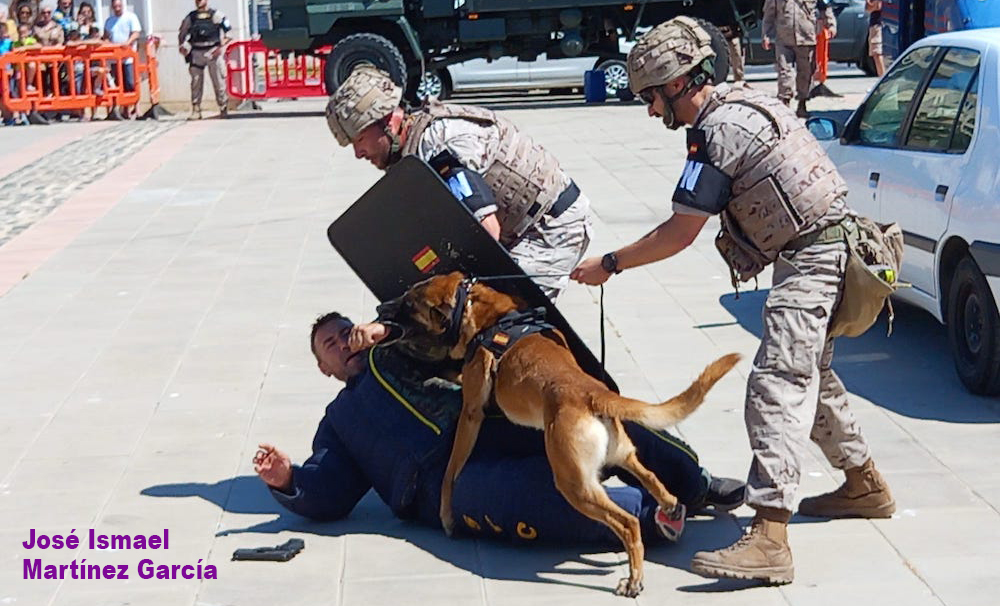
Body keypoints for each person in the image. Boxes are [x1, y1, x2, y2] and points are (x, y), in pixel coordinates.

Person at [570, 17, 894, 584]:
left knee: (776, 384)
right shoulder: (744, 103)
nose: (650, 111)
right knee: (810, 375)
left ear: (678, 84)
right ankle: (863, 483)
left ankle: (770, 536)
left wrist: (611, 263)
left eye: (651, 97)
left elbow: (680, 232)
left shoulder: (716, 132)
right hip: (830, 248)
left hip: (814, 257)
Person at [254, 312, 746, 545]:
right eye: (330, 345)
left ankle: (693, 483)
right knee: (522, 495)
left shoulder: (395, 350)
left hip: (482, 424)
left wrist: (389, 330)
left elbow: (439, 330)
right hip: (433, 483)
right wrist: (289, 480)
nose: (343, 344)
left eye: (345, 333)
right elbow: (331, 489)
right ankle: (648, 517)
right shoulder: (339, 420)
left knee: (586, 409)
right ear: (323, 369)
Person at [325, 65, 594, 302]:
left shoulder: (439, 145)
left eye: (360, 139)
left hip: (549, 226)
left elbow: (486, 231)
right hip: (517, 231)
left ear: (389, 121)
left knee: (502, 318)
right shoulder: (410, 155)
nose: (358, 153)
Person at [761, 0, 835, 118]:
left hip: (806, 37)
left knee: (805, 73)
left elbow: (825, 7)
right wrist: (766, 34)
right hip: (784, 38)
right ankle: (785, 103)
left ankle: (802, 103)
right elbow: (769, 13)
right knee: (784, 71)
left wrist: (830, 25)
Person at [178, 0, 231, 120]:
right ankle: (196, 109)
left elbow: (229, 34)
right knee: (196, 82)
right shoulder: (191, 17)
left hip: (213, 52)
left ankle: (223, 108)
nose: (198, 2)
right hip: (196, 52)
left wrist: (220, 47)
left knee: (219, 81)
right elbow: (182, 33)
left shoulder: (217, 15)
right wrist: (182, 46)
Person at [102, 0, 140, 120]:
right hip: (115, 59)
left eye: (119, 6)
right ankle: (124, 110)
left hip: (128, 58)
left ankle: (136, 109)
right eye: (115, 6)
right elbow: (106, 37)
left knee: (131, 83)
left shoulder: (131, 17)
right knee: (118, 84)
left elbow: (136, 33)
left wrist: (127, 43)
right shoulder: (109, 21)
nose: (117, 8)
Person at [865, 0, 885, 77]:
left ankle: (883, 78)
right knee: (876, 53)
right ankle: (882, 77)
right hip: (876, 24)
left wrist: (869, 2)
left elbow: (876, 6)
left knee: (877, 53)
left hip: (878, 25)